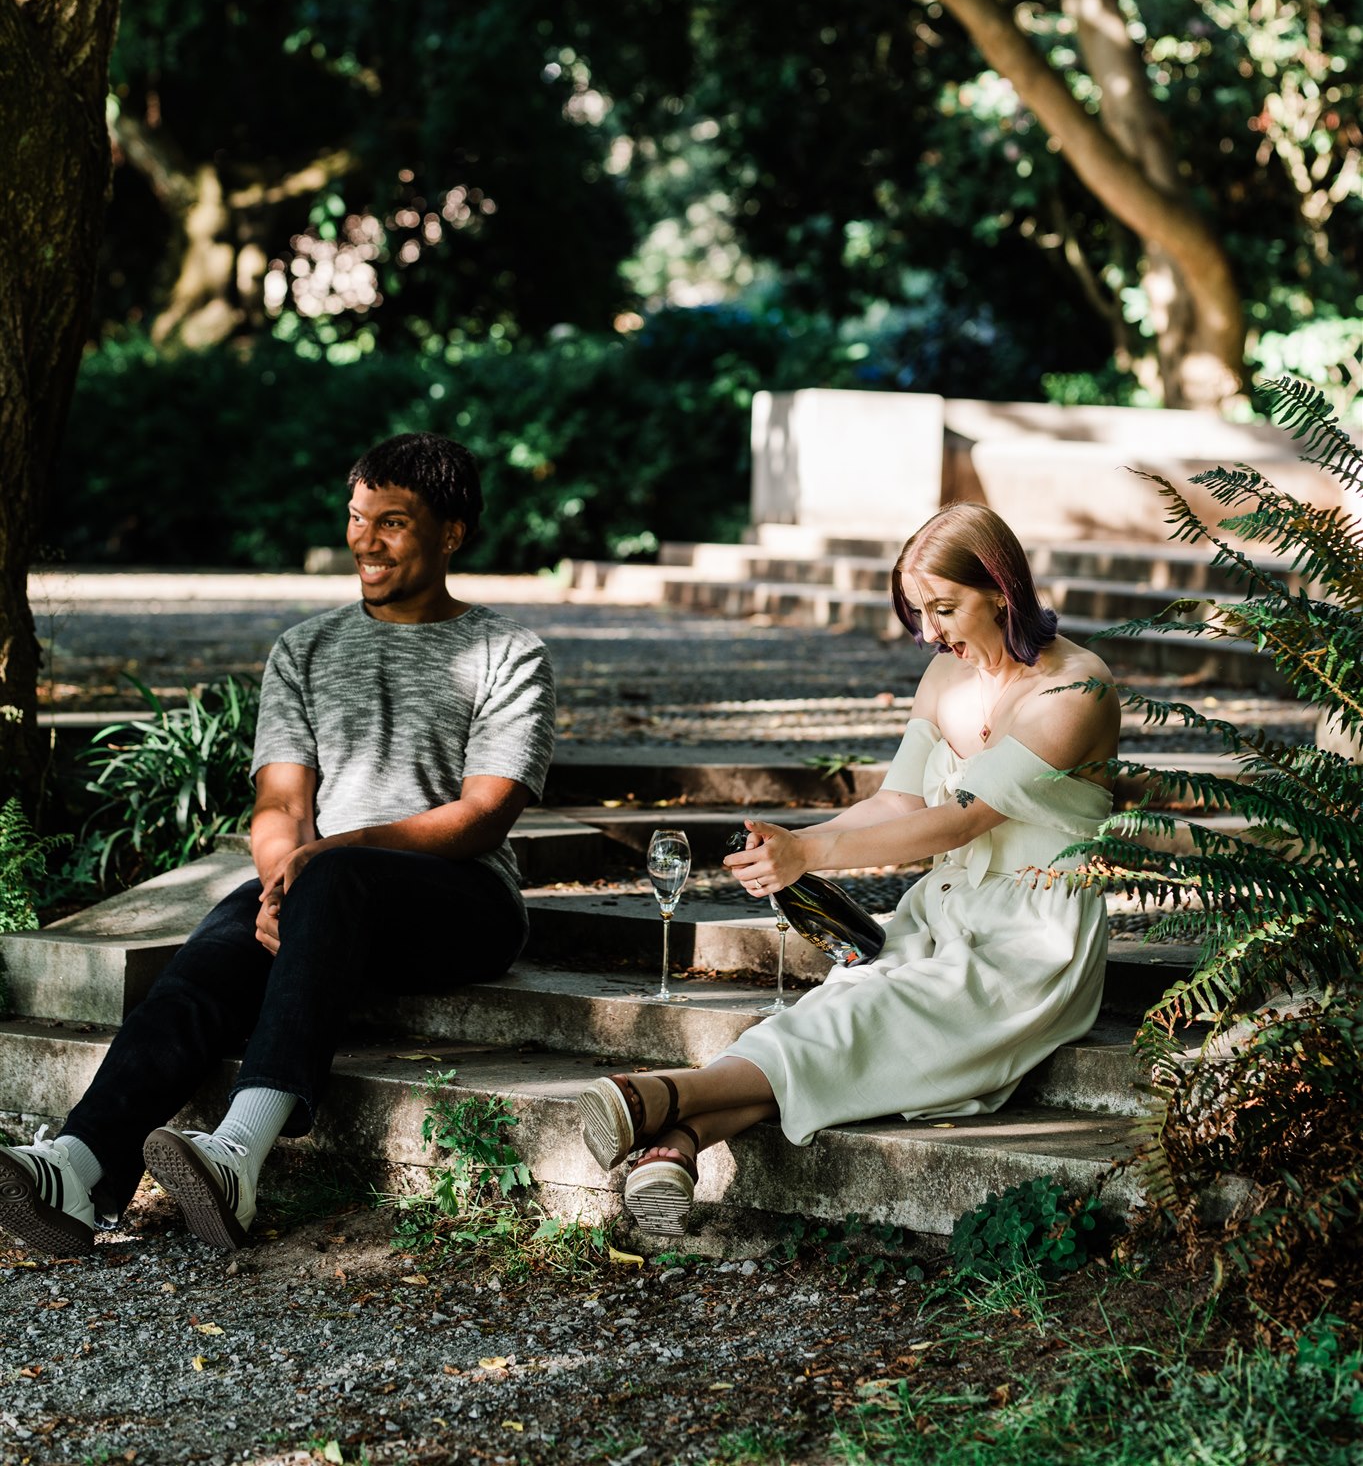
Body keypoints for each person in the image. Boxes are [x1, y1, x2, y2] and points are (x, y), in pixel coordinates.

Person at [0, 433, 554, 1258]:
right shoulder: (305, 649)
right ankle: (78, 1167)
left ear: (452, 533)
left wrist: (324, 860)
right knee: (212, 955)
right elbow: (280, 802)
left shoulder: (508, 653)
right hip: (325, 895)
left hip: (463, 902)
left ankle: (238, 1156)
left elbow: (482, 816)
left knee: (337, 874)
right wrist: (276, 886)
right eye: (357, 518)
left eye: (393, 523)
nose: (365, 540)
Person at [575, 501, 1118, 1236]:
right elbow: (897, 801)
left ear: (1000, 589)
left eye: (943, 608)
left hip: (1033, 932)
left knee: (869, 1010)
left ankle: (659, 1096)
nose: (929, 632)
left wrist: (812, 854)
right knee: (841, 1007)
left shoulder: (1074, 690)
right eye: (917, 612)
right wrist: (793, 841)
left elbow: (960, 819)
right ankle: (678, 1138)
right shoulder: (943, 677)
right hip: (944, 910)